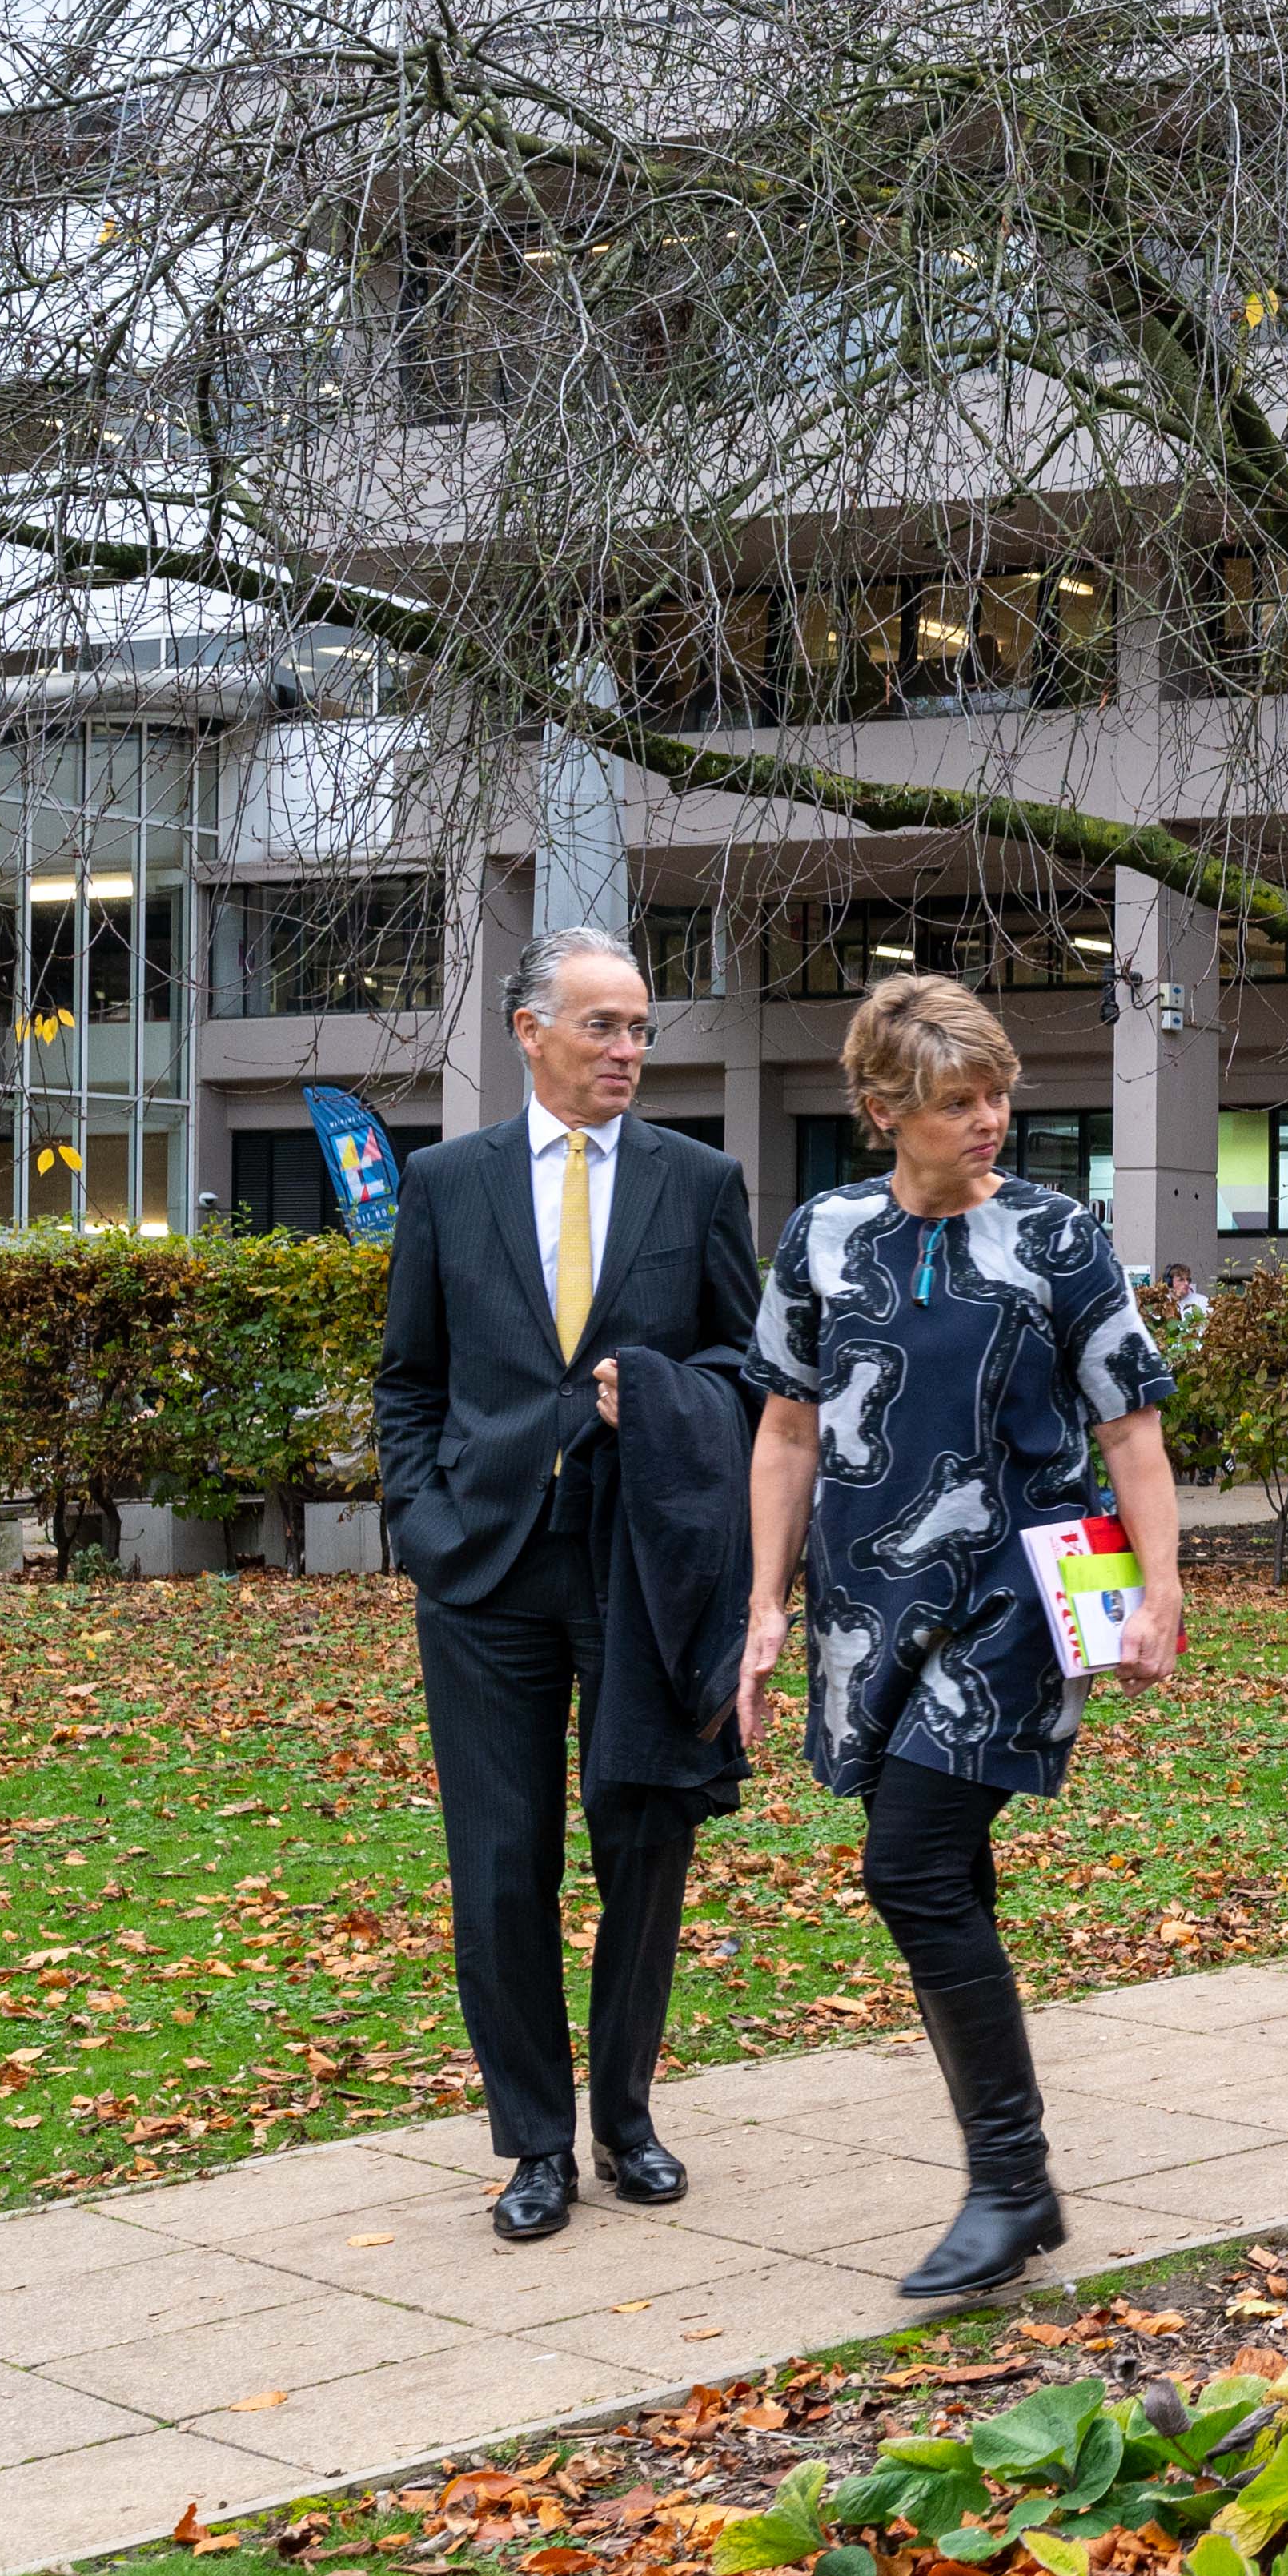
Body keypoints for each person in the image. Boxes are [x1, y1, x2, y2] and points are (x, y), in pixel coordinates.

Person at [736, 975, 1187, 2293]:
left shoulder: (1056, 1236)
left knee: (912, 1867)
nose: (990, 1116)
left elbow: (1131, 1427)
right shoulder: (823, 1234)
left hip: (1013, 1598)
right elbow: (784, 1428)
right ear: (883, 1110)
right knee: (946, 1873)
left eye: (997, 1092)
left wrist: (1160, 1587)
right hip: (862, 1611)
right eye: (956, 1100)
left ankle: (1011, 2179)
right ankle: (1013, 2179)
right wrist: (765, 1604)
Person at [371, 927, 760, 2243]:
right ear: (528, 1031)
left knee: (644, 1840)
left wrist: (653, 1390)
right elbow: (410, 1375)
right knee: (499, 1863)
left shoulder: (699, 1181)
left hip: (638, 1564)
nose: (627, 1051)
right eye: (601, 1025)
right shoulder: (446, 1180)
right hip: (480, 1567)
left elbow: (750, 1370)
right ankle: (533, 2139)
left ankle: (627, 2115)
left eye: (641, 1027)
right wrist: (420, 1520)